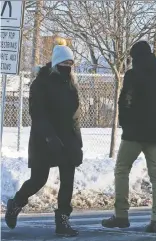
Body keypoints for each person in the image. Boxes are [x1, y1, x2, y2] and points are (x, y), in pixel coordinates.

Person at [5, 38, 82, 237]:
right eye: (64, 64)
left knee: (68, 180)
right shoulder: (41, 83)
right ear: (56, 64)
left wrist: (78, 144)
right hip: (44, 138)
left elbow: (75, 116)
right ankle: (16, 203)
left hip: (67, 138)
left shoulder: (71, 85)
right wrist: (50, 137)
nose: (67, 67)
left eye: (70, 64)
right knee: (39, 179)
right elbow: (37, 113)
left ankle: (63, 221)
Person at [101, 41, 156, 233]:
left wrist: (126, 124)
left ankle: (121, 215)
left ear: (135, 57)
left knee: (122, 169)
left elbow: (125, 101)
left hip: (133, 134)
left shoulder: (132, 76)